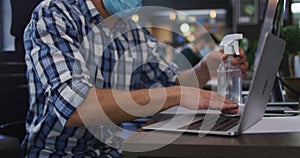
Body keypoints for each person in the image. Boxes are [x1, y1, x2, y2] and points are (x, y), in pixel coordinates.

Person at [21, 0, 248, 157]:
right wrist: (175, 95)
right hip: (59, 153)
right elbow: (77, 107)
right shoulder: (55, 15)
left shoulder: (133, 31)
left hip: (113, 152)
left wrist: (205, 69)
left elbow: (171, 83)